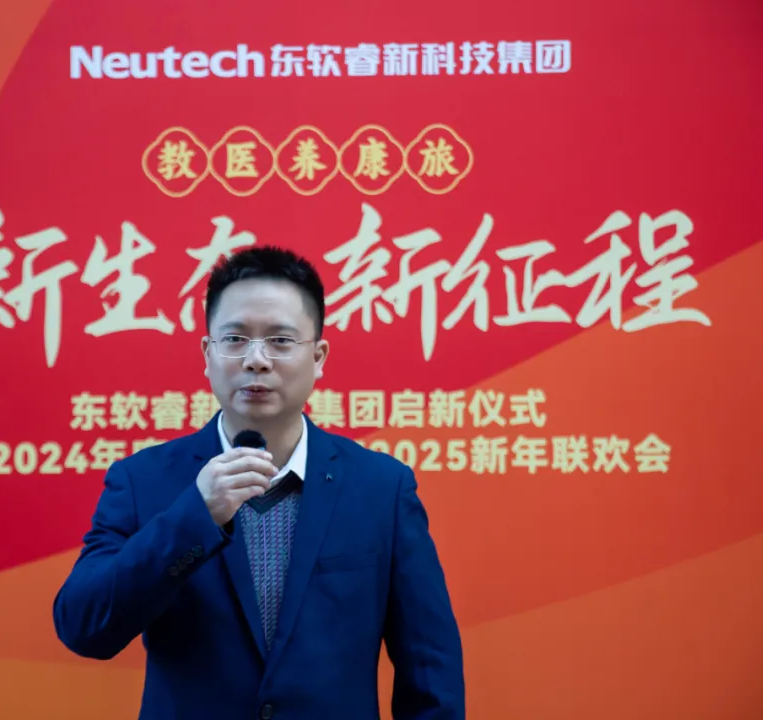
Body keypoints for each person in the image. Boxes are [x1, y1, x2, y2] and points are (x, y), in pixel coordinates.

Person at [53, 246, 465, 719]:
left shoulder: (381, 489)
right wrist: (195, 516)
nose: (256, 360)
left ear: (318, 356)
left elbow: (430, 670)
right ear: (208, 354)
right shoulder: (143, 480)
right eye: (235, 339)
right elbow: (84, 627)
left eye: (280, 340)